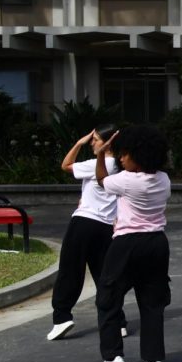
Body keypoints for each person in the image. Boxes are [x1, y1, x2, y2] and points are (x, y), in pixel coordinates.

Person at [92, 125, 172, 362]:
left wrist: (101, 156)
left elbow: (102, 181)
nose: (121, 159)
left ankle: (113, 358)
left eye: (125, 154)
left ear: (139, 155)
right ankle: (155, 360)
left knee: (107, 298)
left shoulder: (126, 181)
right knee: (152, 303)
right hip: (157, 243)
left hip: (127, 243)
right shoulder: (163, 179)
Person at [47, 126, 126, 341]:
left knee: (70, 270)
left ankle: (61, 317)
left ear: (107, 143)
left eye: (96, 139)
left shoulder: (97, 164)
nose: (92, 142)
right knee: (104, 276)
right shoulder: (122, 166)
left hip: (83, 222)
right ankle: (117, 320)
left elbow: (65, 166)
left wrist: (79, 142)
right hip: (106, 227)